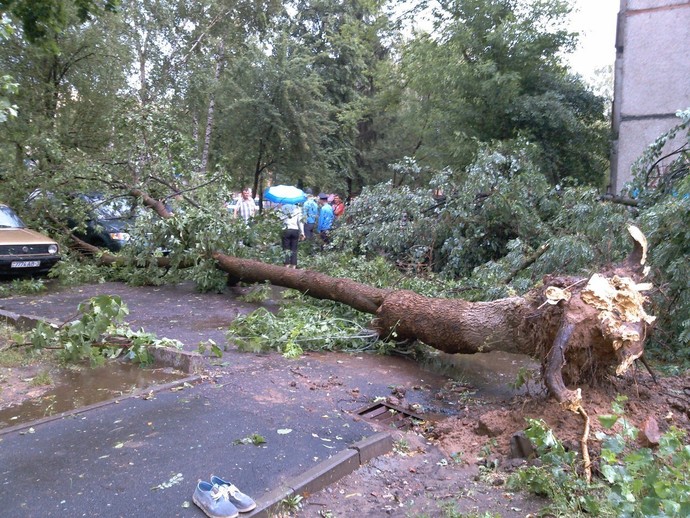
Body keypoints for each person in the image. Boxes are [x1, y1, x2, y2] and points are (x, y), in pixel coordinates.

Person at [279, 203, 305, 268]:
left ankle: (286, 265)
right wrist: (302, 232)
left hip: (286, 229)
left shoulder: (283, 207)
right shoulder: (298, 208)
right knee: (294, 249)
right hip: (295, 230)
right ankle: (293, 267)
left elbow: (280, 218)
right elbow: (300, 221)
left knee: (286, 249)